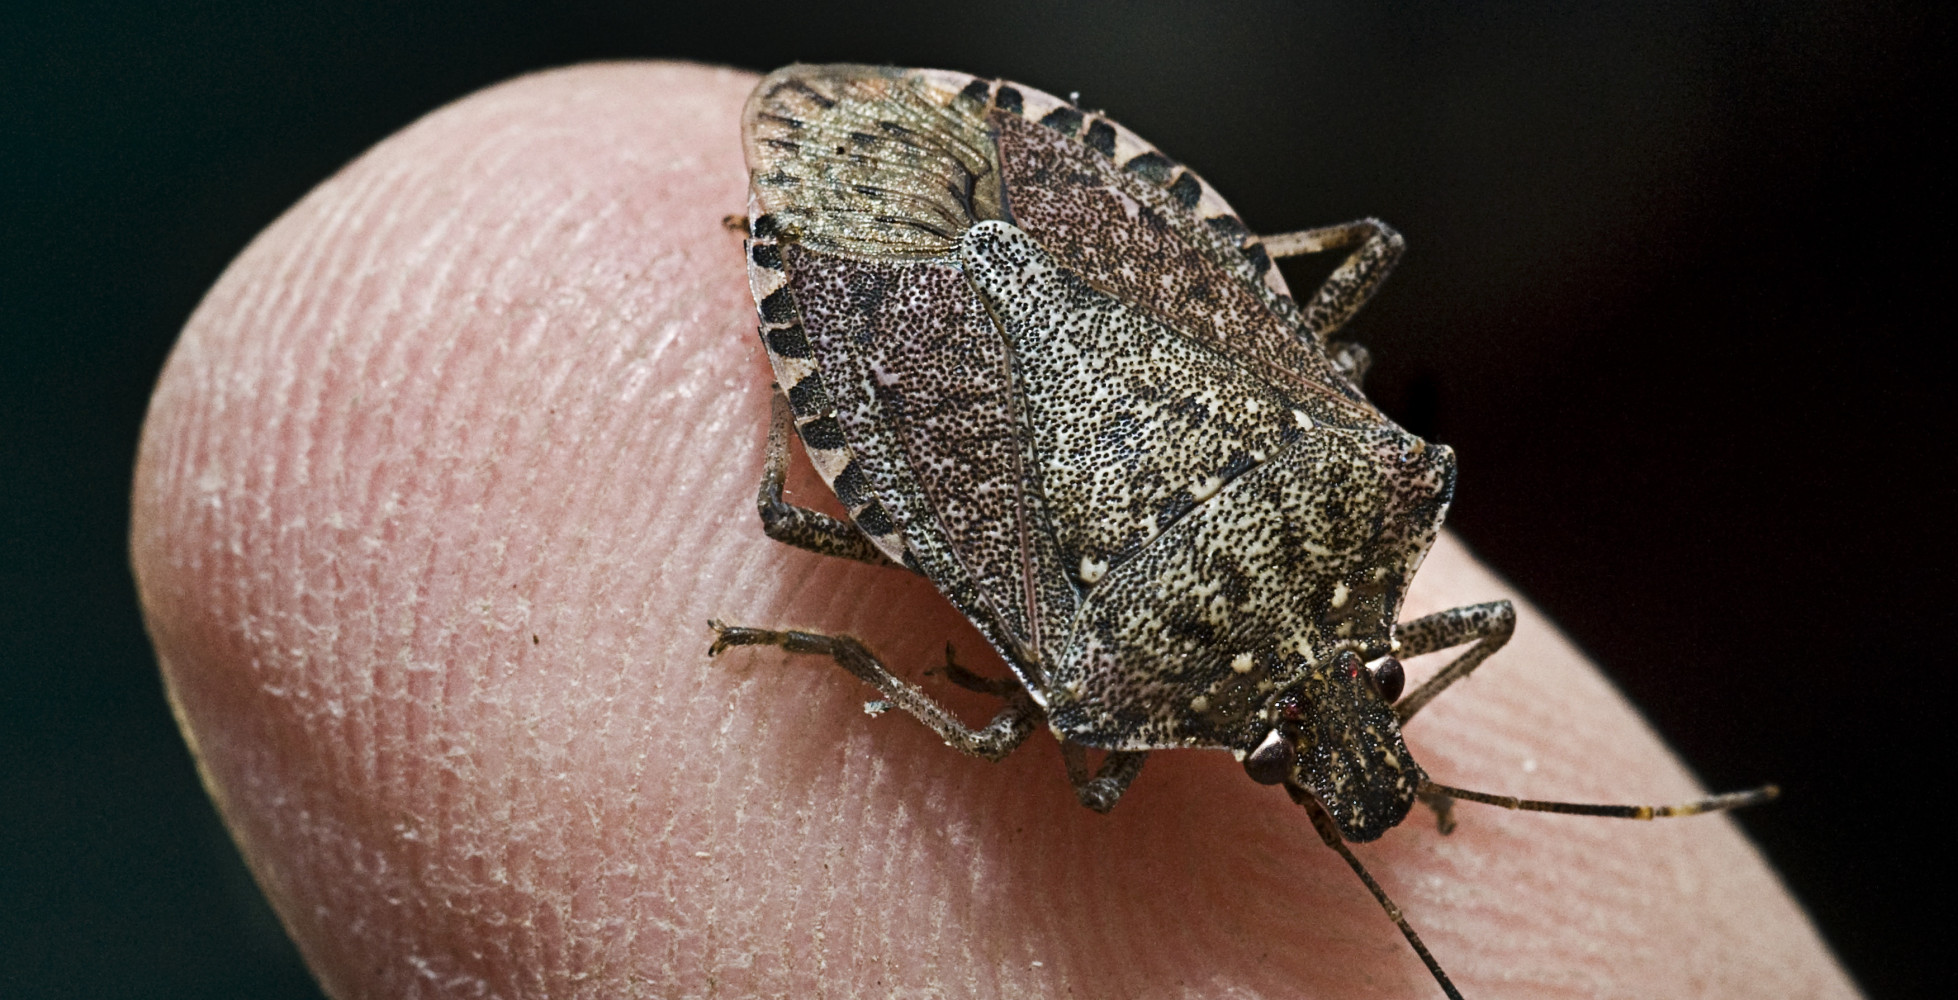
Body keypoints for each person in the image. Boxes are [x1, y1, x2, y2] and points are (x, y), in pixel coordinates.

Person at [131, 62, 1857, 999]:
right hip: (998, 336)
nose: (1359, 782)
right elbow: (1026, 733)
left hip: (1042, 282)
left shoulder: (1362, 523)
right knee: (834, 577)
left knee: (809, 535)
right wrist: (825, 643)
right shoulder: (1227, 639)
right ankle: (817, 594)